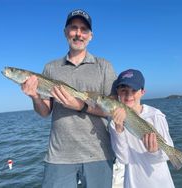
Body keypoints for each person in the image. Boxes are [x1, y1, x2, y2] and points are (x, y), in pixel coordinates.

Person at [21, 9, 117, 188]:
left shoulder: (104, 66)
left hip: (99, 153)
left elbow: (112, 110)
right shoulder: (50, 68)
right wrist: (34, 96)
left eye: (84, 29)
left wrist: (80, 105)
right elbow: (44, 112)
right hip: (59, 156)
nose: (78, 34)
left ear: (91, 36)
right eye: (74, 28)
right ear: (65, 32)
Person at [108, 69, 175, 188]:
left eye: (134, 90)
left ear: (142, 92)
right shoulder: (115, 122)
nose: (128, 95)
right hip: (133, 183)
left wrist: (154, 151)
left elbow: (168, 154)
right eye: (124, 90)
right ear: (118, 92)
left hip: (160, 183)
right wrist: (119, 129)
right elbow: (123, 159)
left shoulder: (155, 115)